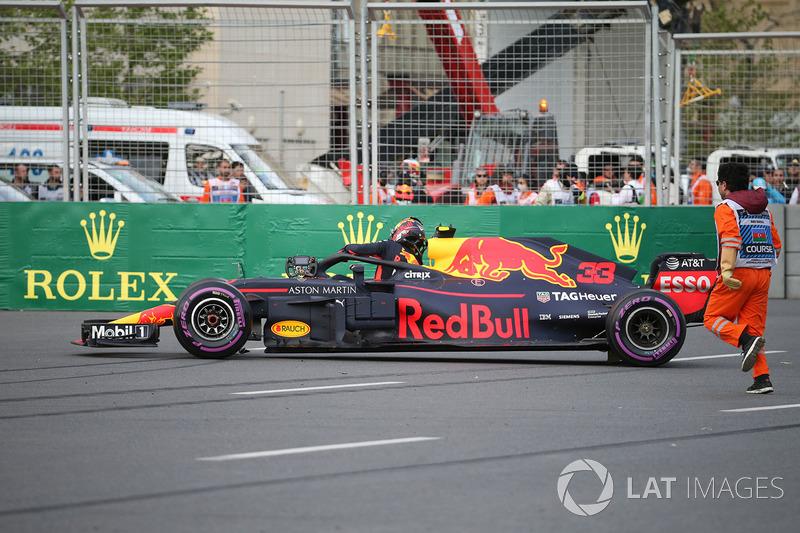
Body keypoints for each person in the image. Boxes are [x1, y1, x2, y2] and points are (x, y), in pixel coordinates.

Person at [703, 162, 781, 394]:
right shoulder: (764, 208)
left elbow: (730, 238)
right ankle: (762, 379)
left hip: (738, 273)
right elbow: (775, 244)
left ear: (724, 184)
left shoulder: (726, 207)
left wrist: (726, 271)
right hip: (763, 273)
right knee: (754, 329)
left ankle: (743, 340)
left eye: (718, 183)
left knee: (712, 317)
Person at [340, 217, 427, 280]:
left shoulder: (389, 246)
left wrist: (345, 249)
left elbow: (357, 249)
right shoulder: (416, 261)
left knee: (338, 278)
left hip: (381, 296)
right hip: (403, 298)